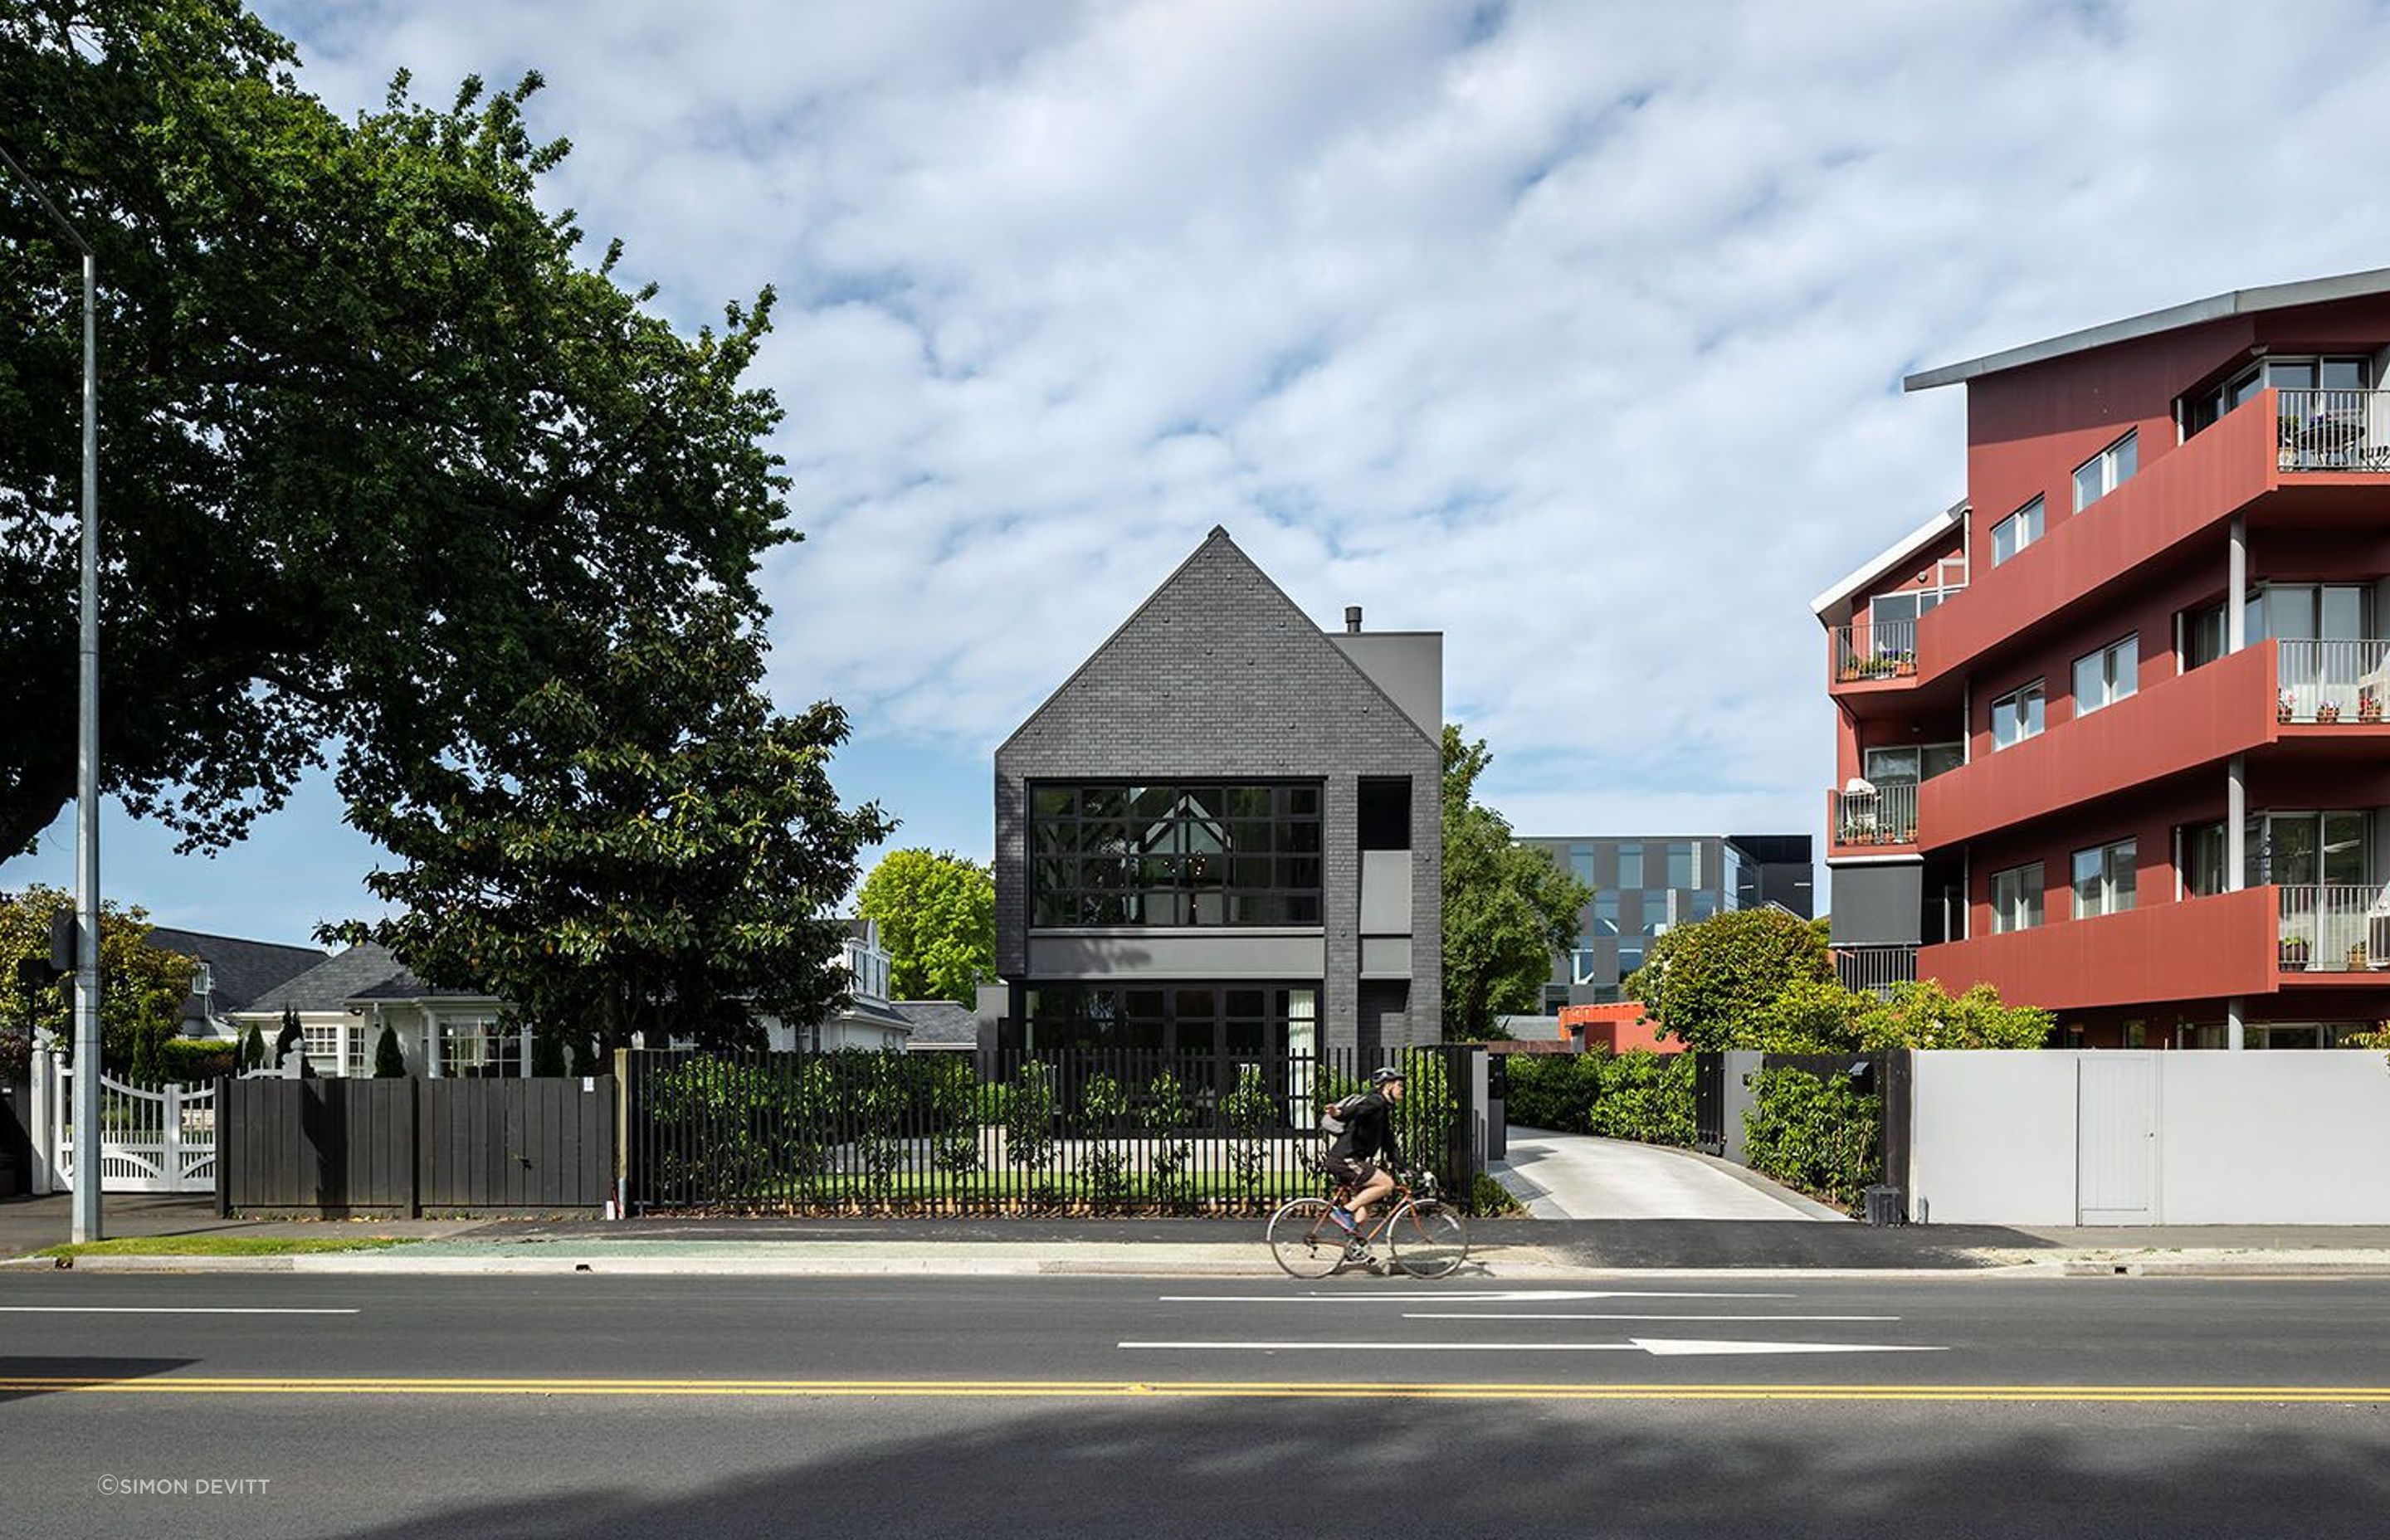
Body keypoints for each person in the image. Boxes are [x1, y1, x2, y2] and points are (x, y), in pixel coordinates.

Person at [1323, 1066, 1407, 1260]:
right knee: (1386, 1184)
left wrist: (1404, 1167)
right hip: (1345, 1159)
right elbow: (1357, 1111)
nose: (1402, 1089)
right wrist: (1338, 1113)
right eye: (1399, 1085)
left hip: (1353, 1159)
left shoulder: (1383, 1109)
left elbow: (1388, 1142)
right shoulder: (1375, 1102)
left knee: (1371, 1199)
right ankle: (1343, 1211)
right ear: (1387, 1087)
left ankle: (1356, 1246)